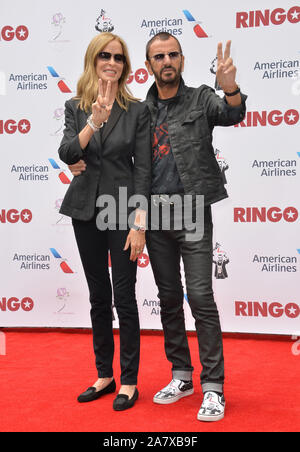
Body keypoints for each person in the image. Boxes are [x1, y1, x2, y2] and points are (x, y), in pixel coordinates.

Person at [143, 32, 247, 422]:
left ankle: (214, 386)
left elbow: (234, 113)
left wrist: (231, 86)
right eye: (159, 56)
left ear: (182, 60)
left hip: (192, 213)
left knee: (200, 297)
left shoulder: (203, 98)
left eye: (172, 55)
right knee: (169, 298)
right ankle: (182, 375)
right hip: (154, 217)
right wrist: (77, 161)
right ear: (149, 65)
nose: (166, 61)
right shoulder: (140, 111)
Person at [58, 32, 151, 411]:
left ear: (125, 66)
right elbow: (67, 152)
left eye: (118, 57)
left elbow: (143, 169)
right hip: (85, 210)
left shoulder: (137, 110)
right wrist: (93, 122)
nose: (111, 62)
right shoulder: (75, 106)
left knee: (124, 297)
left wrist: (140, 222)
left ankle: (129, 380)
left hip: (124, 210)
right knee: (99, 296)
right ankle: (104, 374)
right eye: (104, 56)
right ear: (93, 60)